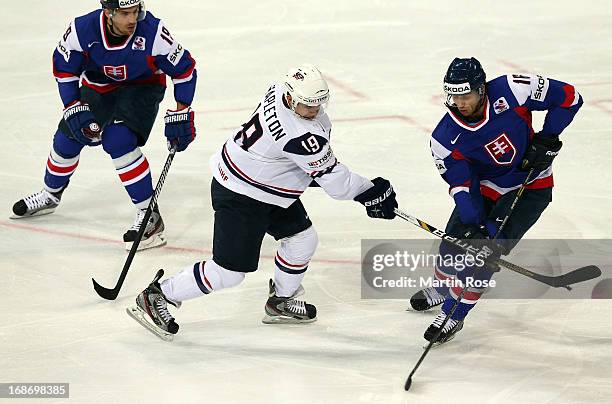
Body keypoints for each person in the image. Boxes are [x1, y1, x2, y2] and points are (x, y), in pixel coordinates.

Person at [127, 64, 398, 339]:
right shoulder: (300, 136)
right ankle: (158, 295)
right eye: (307, 105)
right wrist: (372, 192)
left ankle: (280, 301)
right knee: (229, 272)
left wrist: (333, 179)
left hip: (264, 183)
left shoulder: (280, 89)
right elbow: (337, 183)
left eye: (318, 104)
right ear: (292, 99)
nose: (314, 111)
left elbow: (304, 163)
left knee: (303, 239)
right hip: (241, 194)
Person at [409, 57, 583, 345]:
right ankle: (443, 288)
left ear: (482, 89)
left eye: (466, 95)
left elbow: (570, 98)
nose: (459, 103)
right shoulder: (443, 137)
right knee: (452, 245)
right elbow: (462, 185)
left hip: (530, 186)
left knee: (484, 256)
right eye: (453, 96)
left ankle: (454, 314)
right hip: (487, 188)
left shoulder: (513, 89)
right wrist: (475, 221)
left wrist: (548, 137)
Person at [11, 0, 198, 251]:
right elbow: (65, 69)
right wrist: (72, 106)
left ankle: (149, 215)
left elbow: (184, 69)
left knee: (118, 140)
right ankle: (50, 194)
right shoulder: (82, 30)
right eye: (125, 13)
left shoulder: (153, 32)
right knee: (67, 138)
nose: (132, 19)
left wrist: (182, 110)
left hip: (142, 87)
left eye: (135, 12)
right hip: (98, 86)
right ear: (108, 13)